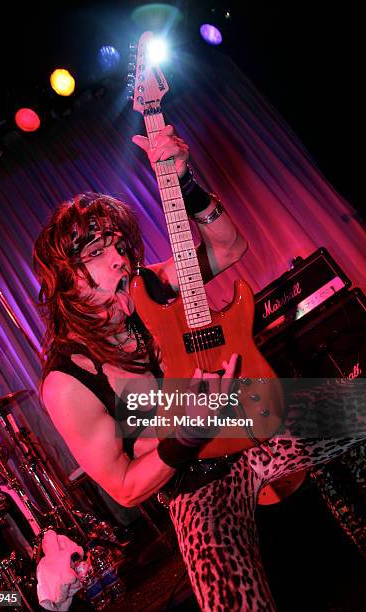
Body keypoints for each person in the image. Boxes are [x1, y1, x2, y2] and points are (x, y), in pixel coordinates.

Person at [34, 125, 365, 611]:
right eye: (97, 253)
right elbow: (125, 488)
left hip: (256, 421)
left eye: (119, 246)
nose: (120, 260)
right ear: (66, 279)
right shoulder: (67, 383)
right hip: (197, 484)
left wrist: (186, 185)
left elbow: (229, 248)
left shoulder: (146, 288)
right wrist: (186, 433)